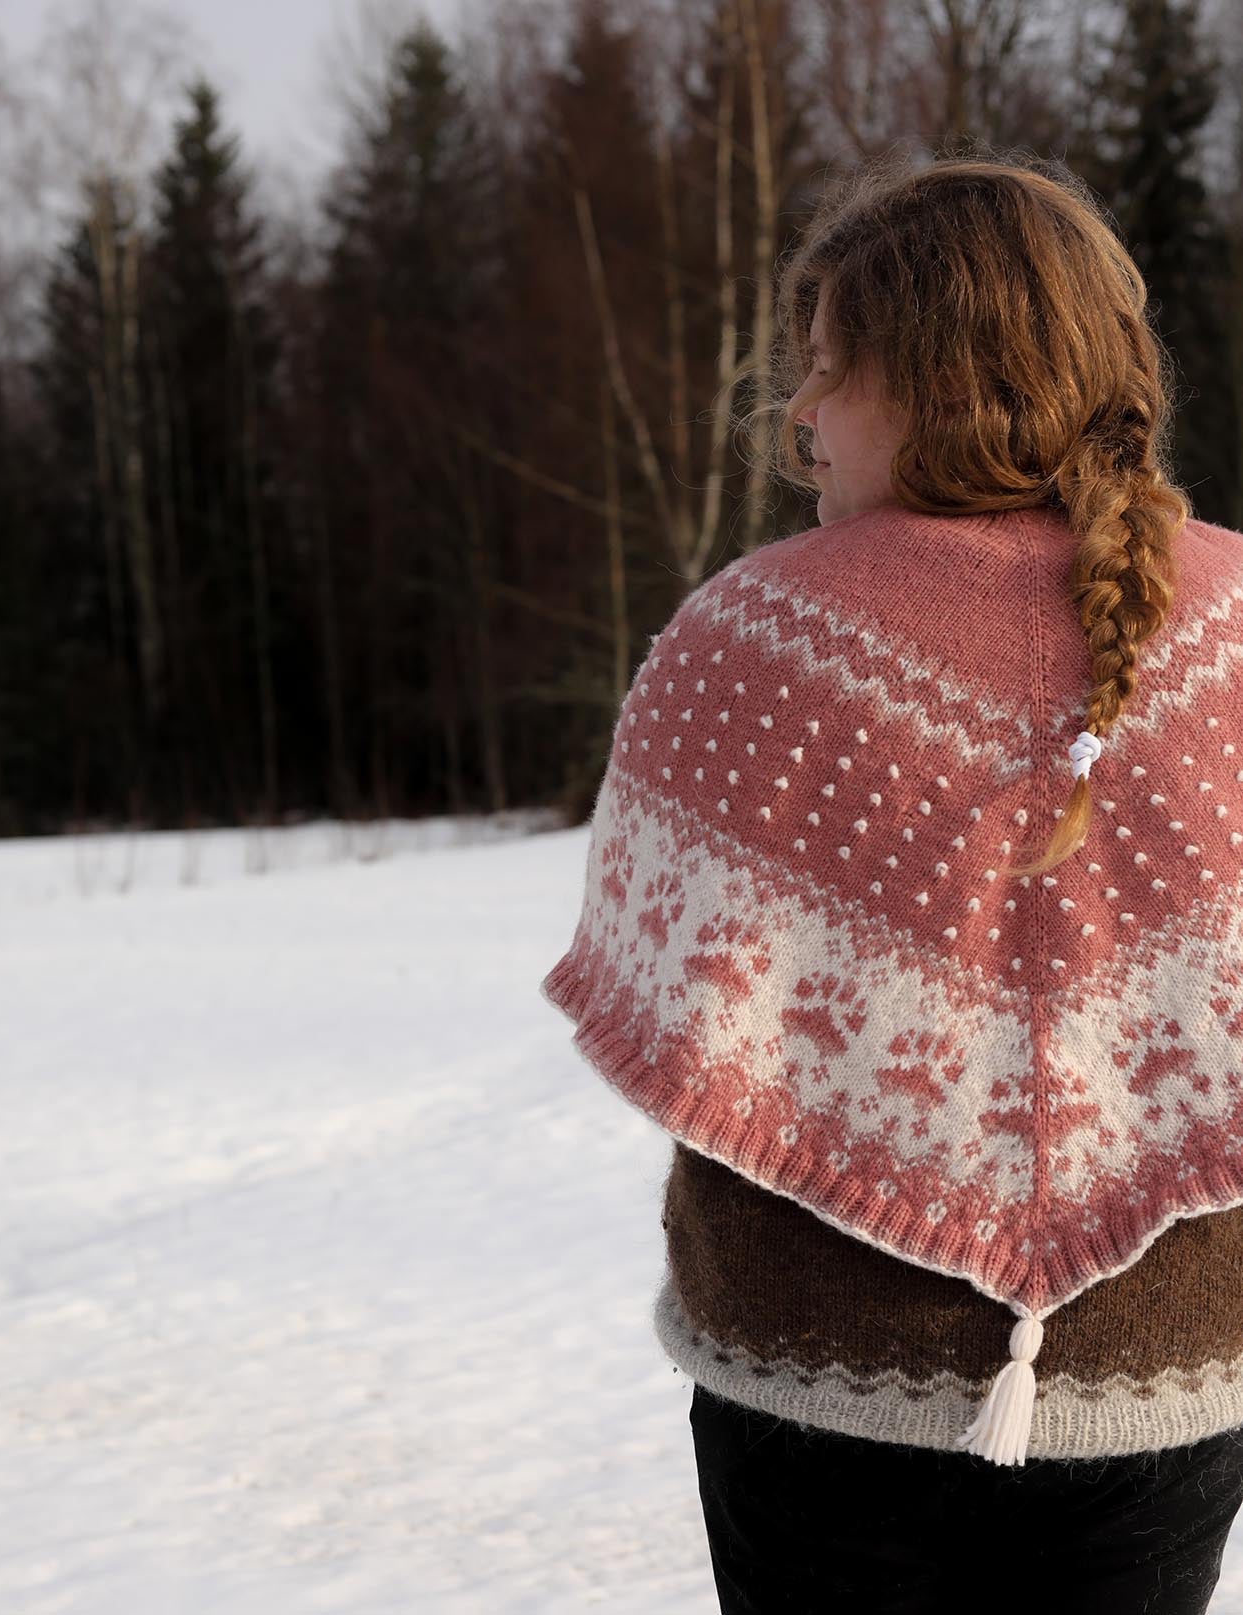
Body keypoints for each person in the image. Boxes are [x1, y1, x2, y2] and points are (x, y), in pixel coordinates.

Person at [540, 146, 1243, 1613]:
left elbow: (662, 999)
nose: (796, 410)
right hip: (1166, 1369)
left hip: (816, 1379)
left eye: (827, 365)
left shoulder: (747, 640)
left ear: (940, 378)